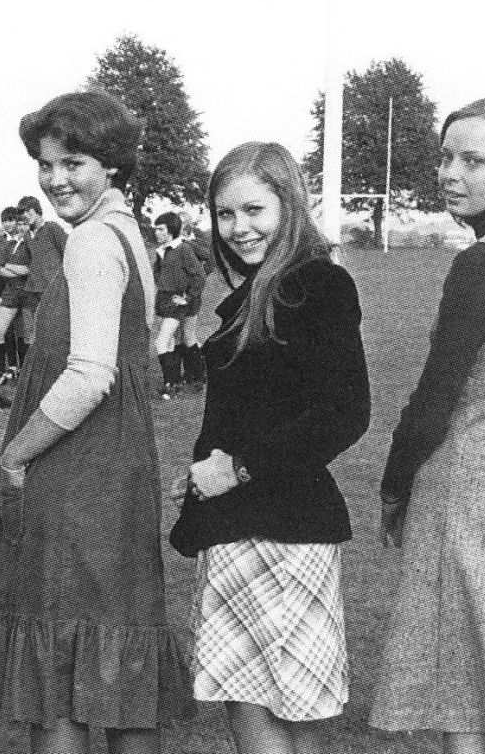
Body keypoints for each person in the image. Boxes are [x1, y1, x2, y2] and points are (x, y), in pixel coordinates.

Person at [0, 90, 194, 754]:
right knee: (118, 667)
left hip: (76, 473)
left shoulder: (92, 241)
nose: (57, 178)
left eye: (75, 163)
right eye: (46, 164)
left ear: (113, 164)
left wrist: (16, 454)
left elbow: (91, 374)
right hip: (119, 467)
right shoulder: (124, 231)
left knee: (57, 672)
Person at [168, 142, 371, 754]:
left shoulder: (317, 285)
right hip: (244, 525)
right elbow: (251, 411)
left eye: (254, 210)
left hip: (283, 529)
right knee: (251, 702)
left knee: (277, 711)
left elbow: (344, 413)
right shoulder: (260, 290)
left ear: (290, 203)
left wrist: (238, 466)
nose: (238, 228)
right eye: (226, 215)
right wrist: (206, 475)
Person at [372, 97, 485, 754]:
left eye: (472, 159)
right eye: (444, 157)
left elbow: (434, 399)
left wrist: (393, 484)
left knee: (463, 684)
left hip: (467, 489)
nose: (449, 172)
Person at [151, 211, 206, 398]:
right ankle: (192, 378)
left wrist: (187, 297)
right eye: (155, 229)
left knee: (162, 341)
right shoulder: (162, 251)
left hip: (177, 304)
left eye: (160, 229)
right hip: (167, 302)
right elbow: (159, 276)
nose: (156, 233)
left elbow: (199, 275)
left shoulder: (183, 249)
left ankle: (172, 384)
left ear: (171, 231)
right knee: (178, 340)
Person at [0, 206, 31, 384]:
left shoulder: (33, 244)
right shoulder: (8, 244)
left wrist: (9, 267)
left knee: (26, 334)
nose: (20, 227)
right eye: (18, 223)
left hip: (28, 293)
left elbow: (31, 268)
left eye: (23, 223)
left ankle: (25, 373)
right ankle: (1, 371)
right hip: (10, 292)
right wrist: (18, 271)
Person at [17, 193, 67, 347]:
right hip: (32, 291)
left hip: (52, 290)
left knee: (54, 332)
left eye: (28, 211)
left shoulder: (52, 228)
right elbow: (28, 263)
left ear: (37, 210)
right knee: (32, 334)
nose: (25, 216)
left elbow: (68, 253)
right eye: (22, 213)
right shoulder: (26, 236)